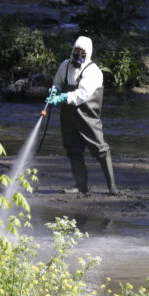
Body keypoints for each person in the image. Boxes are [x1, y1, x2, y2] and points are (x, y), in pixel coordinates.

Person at [45, 36, 119, 195]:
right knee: (73, 149)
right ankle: (81, 186)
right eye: (76, 51)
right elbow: (57, 82)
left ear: (88, 53)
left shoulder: (93, 71)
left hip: (87, 114)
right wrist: (55, 90)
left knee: (100, 149)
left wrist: (63, 97)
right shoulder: (65, 65)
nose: (78, 55)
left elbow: (82, 94)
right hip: (68, 115)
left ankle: (113, 188)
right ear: (72, 51)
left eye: (82, 52)